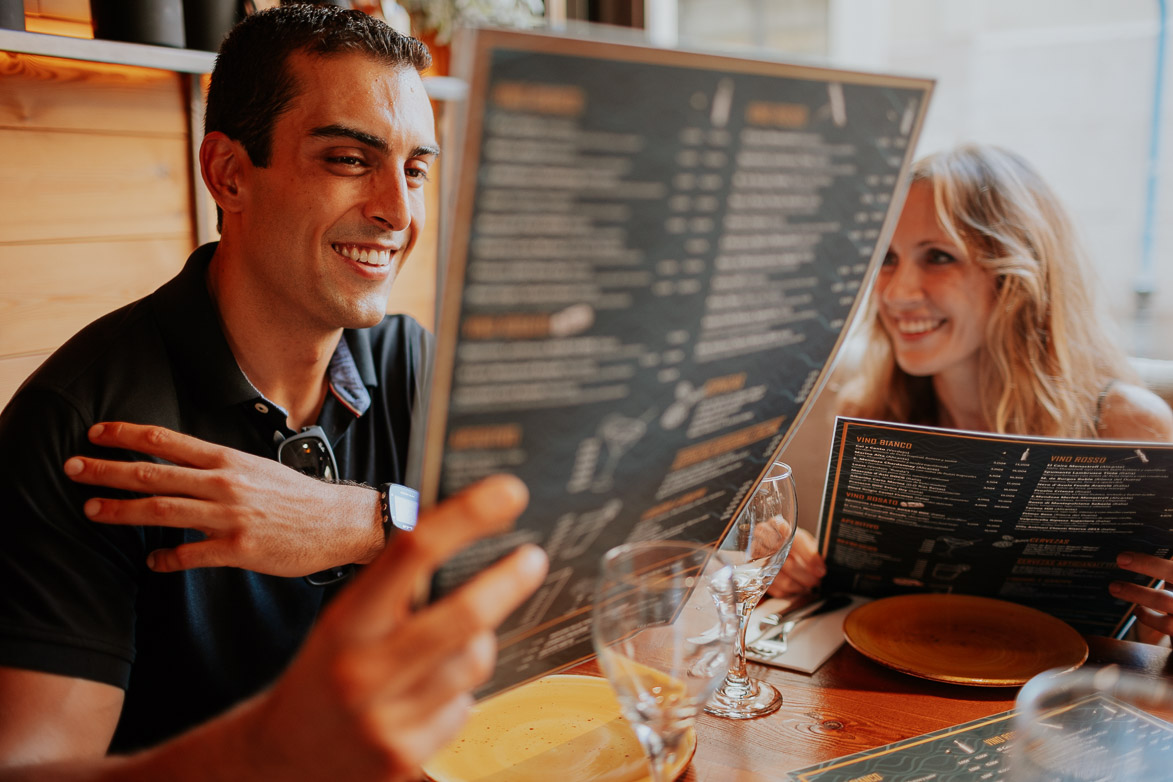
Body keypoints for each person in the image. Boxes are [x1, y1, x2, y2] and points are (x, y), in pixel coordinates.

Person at [0, 4, 549, 777]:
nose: (397, 211)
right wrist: (267, 753)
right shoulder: (78, 424)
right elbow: (30, 770)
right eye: (348, 160)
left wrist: (363, 520)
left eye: (415, 169)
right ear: (228, 174)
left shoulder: (409, 359)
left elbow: (548, 545)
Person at [770, 144, 1173, 642]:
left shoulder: (1128, 427)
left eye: (938, 257)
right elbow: (852, 597)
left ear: (1016, 276)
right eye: (888, 258)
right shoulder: (871, 411)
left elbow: (1143, 649)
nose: (895, 293)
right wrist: (794, 562)